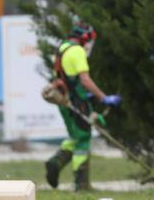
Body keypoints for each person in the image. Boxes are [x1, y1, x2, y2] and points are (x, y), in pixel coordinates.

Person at [45, 23, 121, 191]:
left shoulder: (63, 47)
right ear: (85, 38)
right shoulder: (77, 51)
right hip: (77, 103)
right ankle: (81, 184)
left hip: (63, 101)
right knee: (83, 140)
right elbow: (85, 80)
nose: (89, 45)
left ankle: (55, 163)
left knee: (75, 137)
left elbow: (66, 77)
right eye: (90, 40)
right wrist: (104, 98)